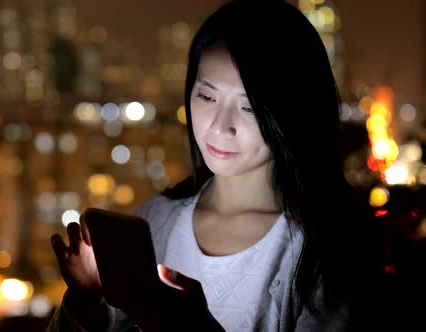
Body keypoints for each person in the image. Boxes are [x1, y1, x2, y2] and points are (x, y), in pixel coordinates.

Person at [47, 0, 380, 330]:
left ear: (293, 113)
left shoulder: (321, 252)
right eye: (207, 97)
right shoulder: (156, 221)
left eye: (249, 108)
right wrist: (84, 302)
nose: (220, 127)